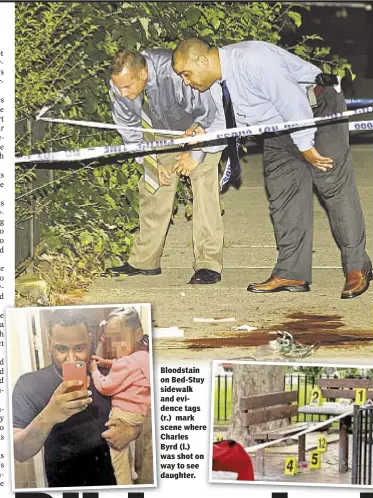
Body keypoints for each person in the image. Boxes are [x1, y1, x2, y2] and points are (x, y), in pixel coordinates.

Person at [172, 38, 373, 299]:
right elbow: (226, 125)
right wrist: (201, 144)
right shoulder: (216, 86)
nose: (186, 82)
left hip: (317, 108)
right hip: (277, 126)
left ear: (202, 60)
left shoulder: (254, 59)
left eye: (186, 74)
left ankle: (357, 267)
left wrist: (306, 146)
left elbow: (292, 101)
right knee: (282, 194)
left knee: (333, 188)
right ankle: (292, 271)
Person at [105, 49, 225, 285]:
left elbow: (211, 114)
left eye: (127, 87)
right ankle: (145, 261)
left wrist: (195, 153)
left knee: (203, 185)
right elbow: (130, 129)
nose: (122, 92)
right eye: (119, 87)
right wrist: (150, 161)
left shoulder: (178, 74)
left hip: (201, 127)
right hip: (161, 128)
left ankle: (208, 264)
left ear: (143, 73)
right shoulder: (120, 84)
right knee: (153, 185)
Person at [12, 309, 141, 488]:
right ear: (49, 344)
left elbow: (138, 411)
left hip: (111, 484)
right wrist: (49, 415)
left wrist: (133, 431)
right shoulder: (29, 384)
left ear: (90, 341)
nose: (71, 358)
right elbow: (19, 451)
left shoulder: (111, 376)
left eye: (79, 348)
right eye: (62, 349)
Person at [90, 307, 151, 485]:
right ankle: (131, 473)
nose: (115, 346)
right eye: (111, 340)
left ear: (138, 334)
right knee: (125, 449)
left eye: (120, 339)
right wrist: (108, 362)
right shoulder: (143, 356)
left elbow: (106, 387)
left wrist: (94, 371)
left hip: (123, 413)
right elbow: (127, 366)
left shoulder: (125, 362)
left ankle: (124, 484)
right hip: (138, 414)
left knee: (117, 453)